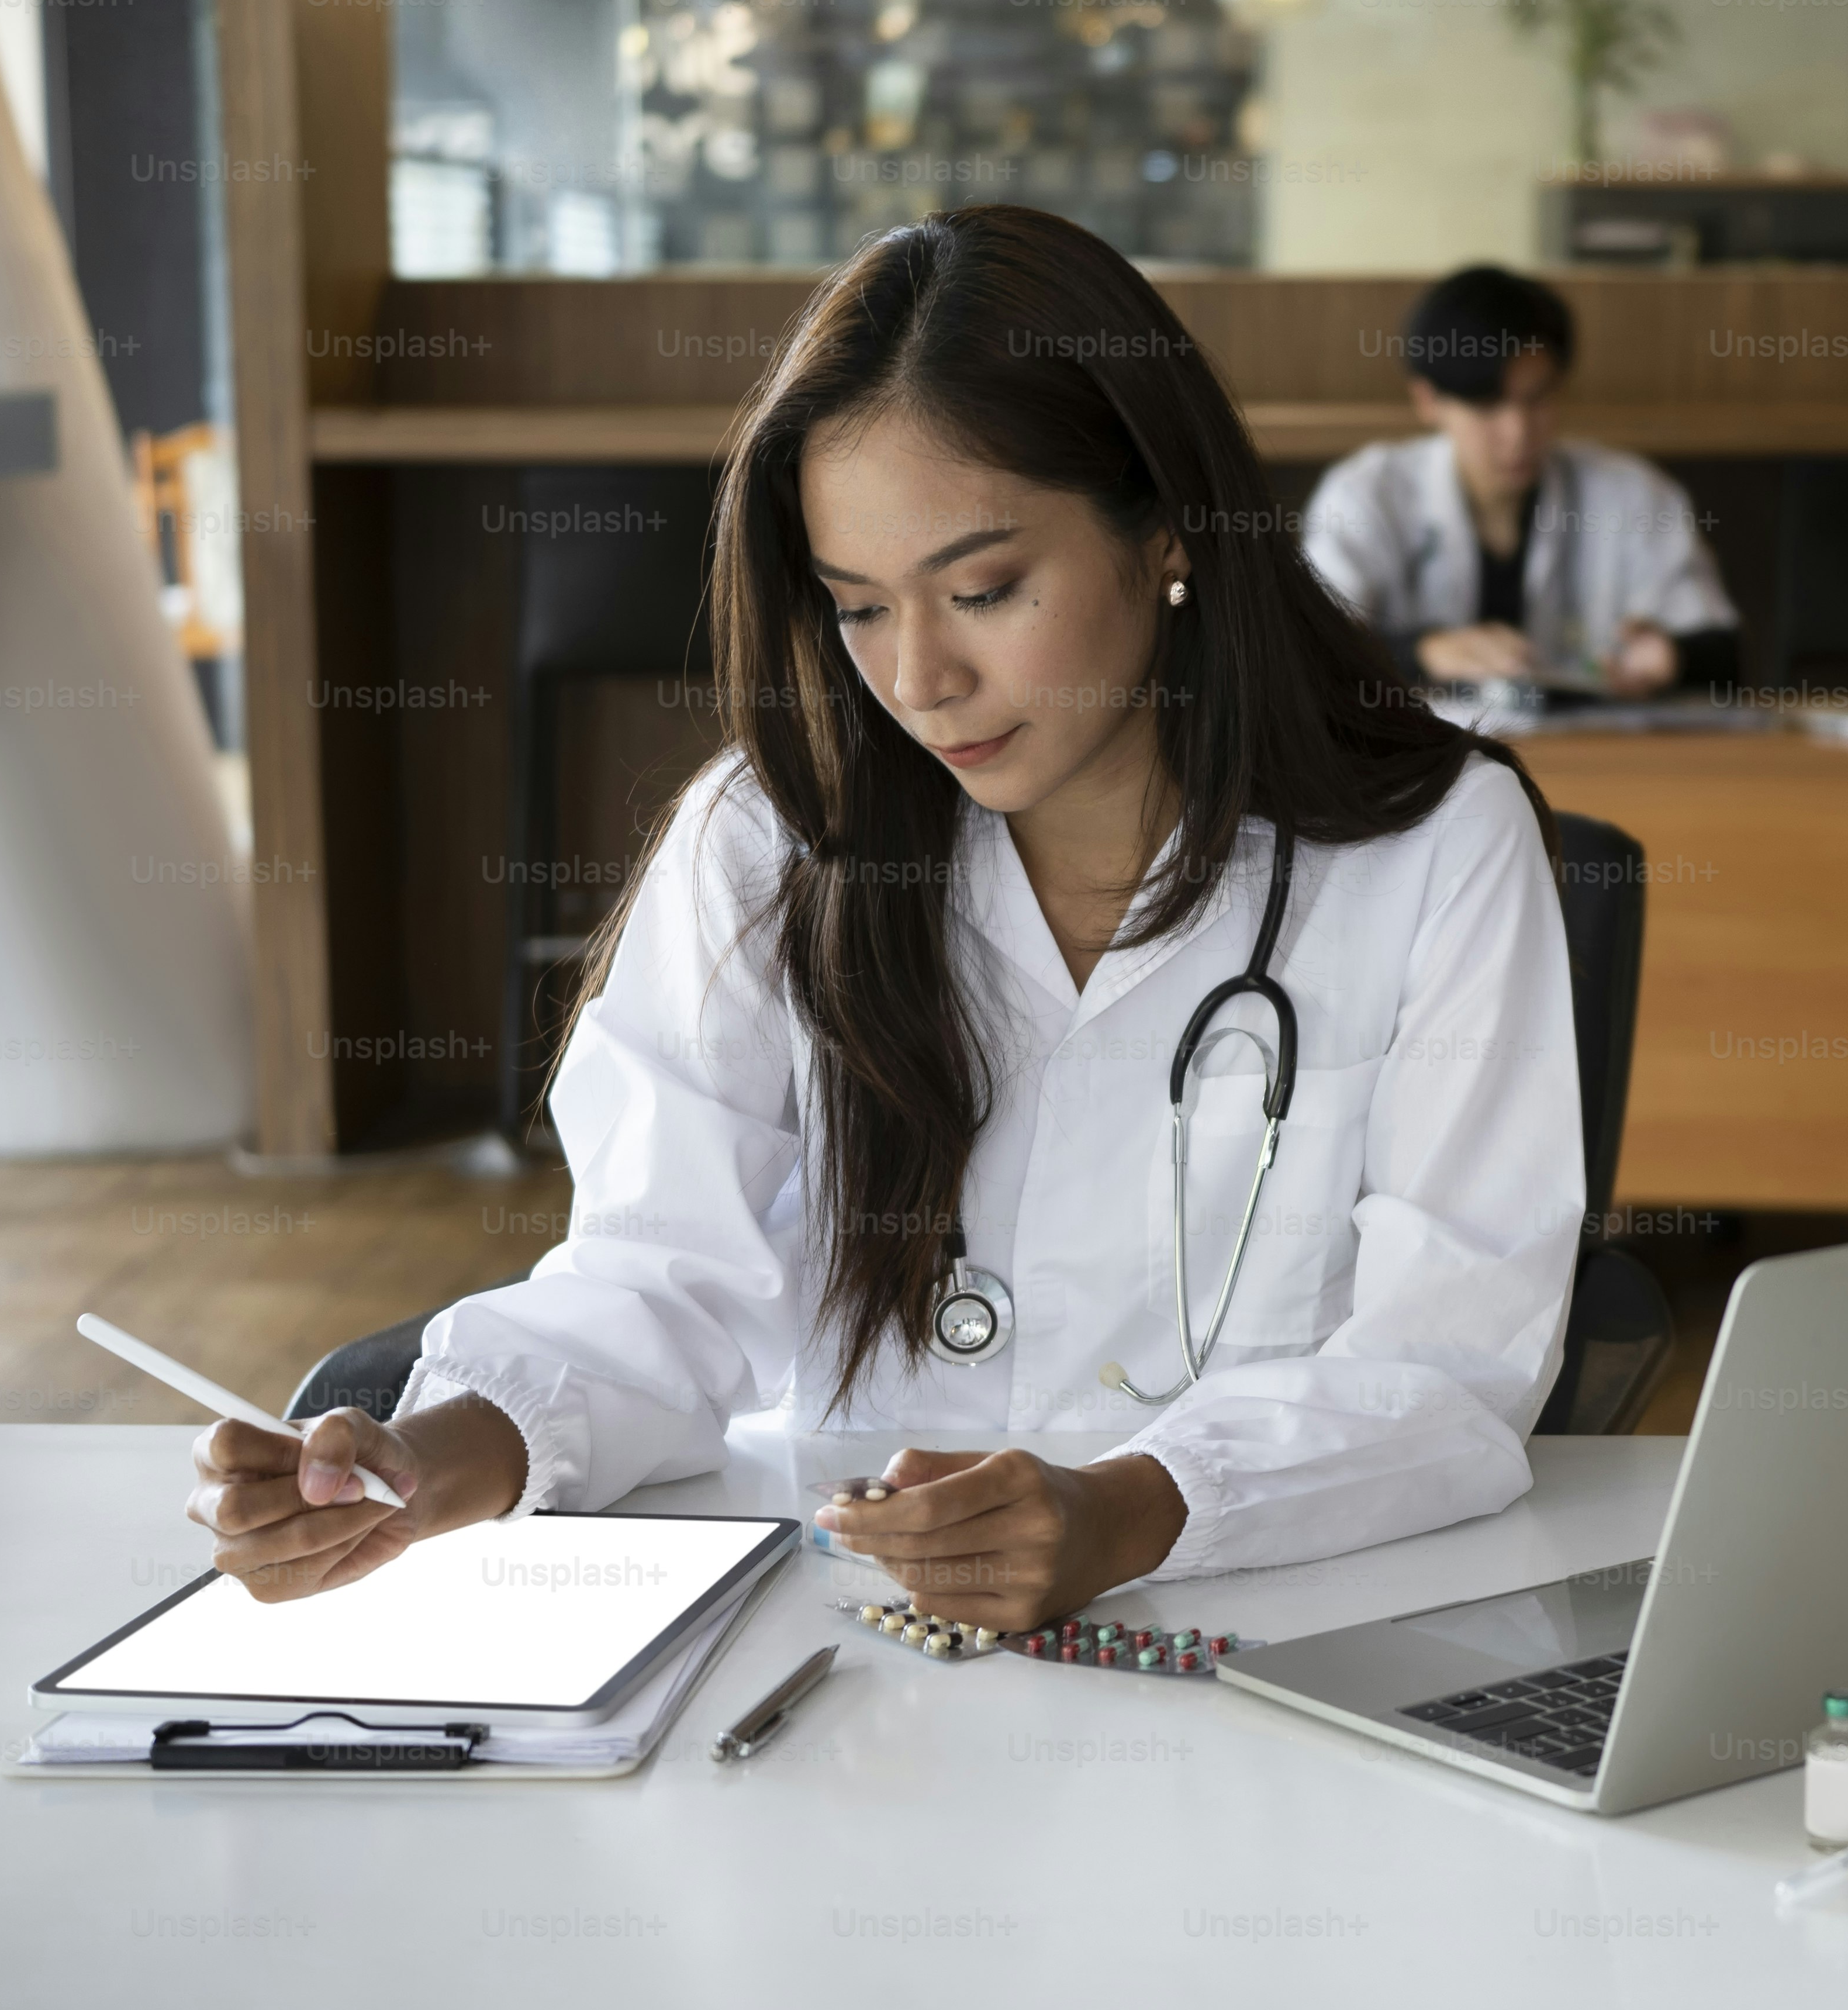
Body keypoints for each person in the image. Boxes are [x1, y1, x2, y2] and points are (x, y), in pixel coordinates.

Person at [182, 206, 1584, 1631]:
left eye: (983, 590)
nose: (918, 679)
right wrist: (423, 1467)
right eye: (859, 608)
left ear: (1169, 535)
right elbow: (660, 1281)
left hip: (1281, 1636)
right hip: (849, 1654)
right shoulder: (770, 833)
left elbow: (1449, 1365)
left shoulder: (1439, 848)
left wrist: (1130, 1507)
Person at [1305, 265, 1743, 699]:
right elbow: (1307, 649)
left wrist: (1672, 658)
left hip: (1597, 757)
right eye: (1487, 406)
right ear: (1428, 401)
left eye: (1538, 399)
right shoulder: (1368, 494)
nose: (1518, 432)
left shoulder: (1631, 493)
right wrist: (1425, 652)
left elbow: (1724, 652)